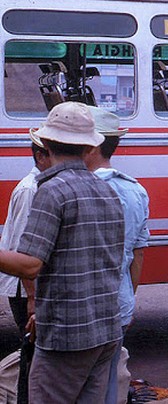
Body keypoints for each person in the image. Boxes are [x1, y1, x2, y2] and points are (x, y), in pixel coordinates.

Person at [0, 102, 124, 403]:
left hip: (68, 334)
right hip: (107, 329)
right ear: (89, 147)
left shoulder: (51, 191)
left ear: (46, 144)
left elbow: (30, 266)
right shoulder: (107, 190)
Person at [83, 107, 151, 404]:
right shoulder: (136, 190)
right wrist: (130, 298)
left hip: (84, 307)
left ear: (92, 146)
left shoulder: (79, 188)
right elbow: (138, 254)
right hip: (120, 301)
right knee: (110, 383)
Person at [0, 130, 50, 402]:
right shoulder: (32, 189)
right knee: (33, 357)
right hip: (25, 288)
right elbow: (24, 248)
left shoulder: (40, 185)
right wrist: (33, 298)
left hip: (27, 286)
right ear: (40, 157)